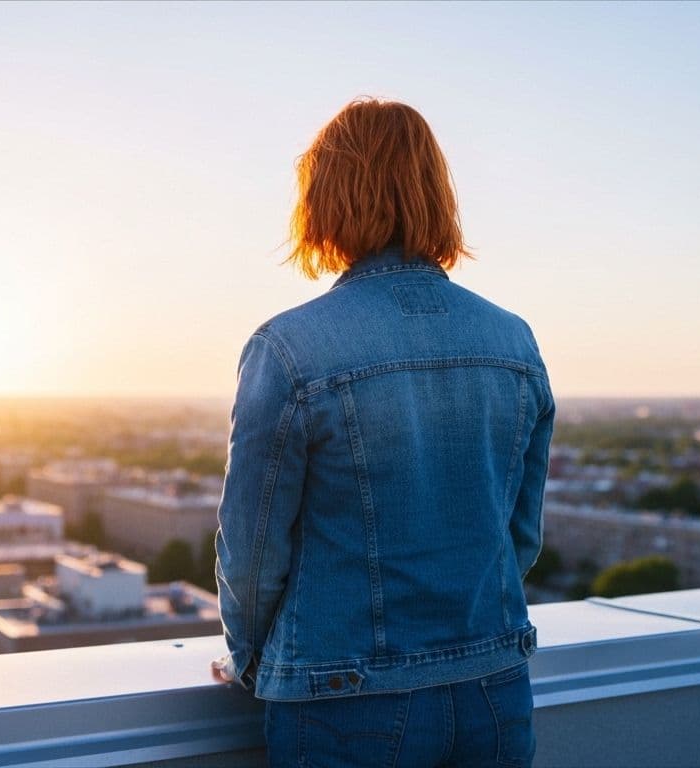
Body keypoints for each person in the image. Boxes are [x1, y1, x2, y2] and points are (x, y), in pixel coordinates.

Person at [211, 97, 554, 768]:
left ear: (324, 199)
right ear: (435, 192)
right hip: (493, 689)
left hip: (344, 696)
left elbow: (251, 553)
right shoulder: (514, 340)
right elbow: (520, 535)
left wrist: (252, 660)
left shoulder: (289, 347)